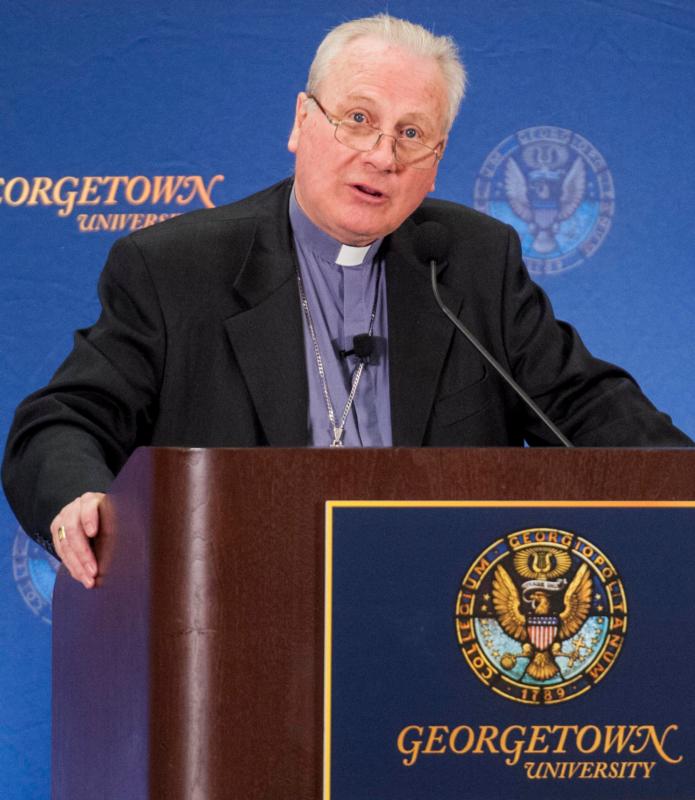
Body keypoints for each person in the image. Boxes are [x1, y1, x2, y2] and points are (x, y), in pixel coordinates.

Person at [2, 14, 691, 589]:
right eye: (358, 118)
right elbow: (62, 422)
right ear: (302, 122)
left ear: (436, 160)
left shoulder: (472, 262)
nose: (381, 155)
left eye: (410, 134)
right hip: (236, 615)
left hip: (439, 621)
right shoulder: (174, 267)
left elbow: (583, 407)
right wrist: (77, 497)